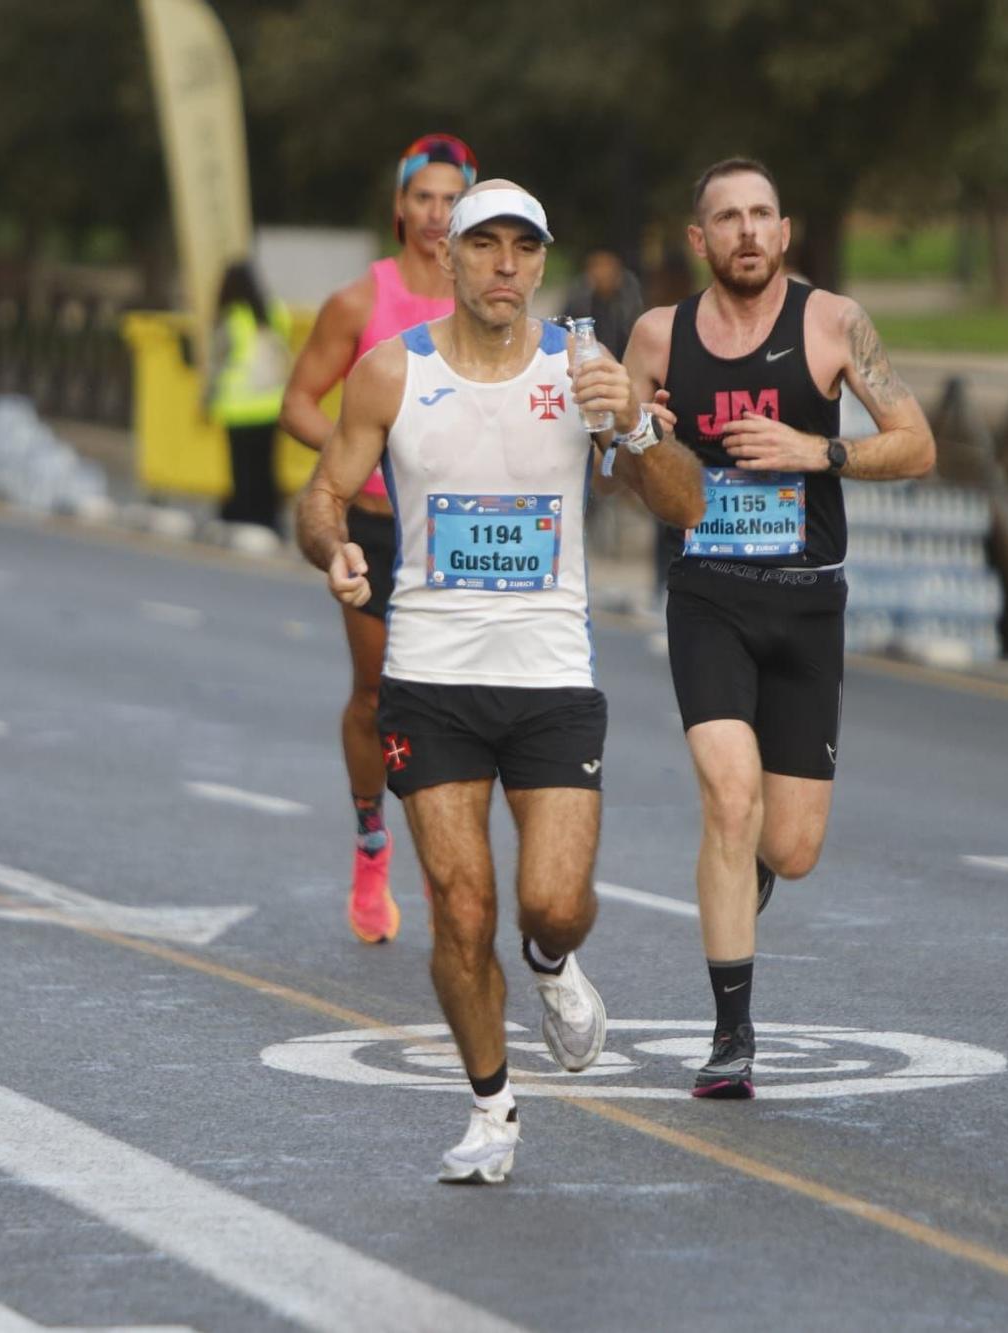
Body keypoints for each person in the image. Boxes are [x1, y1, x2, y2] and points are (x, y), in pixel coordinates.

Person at [297, 180, 703, 1183]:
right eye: (485, 246)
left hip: (549, 678)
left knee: (549, 904)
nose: (505, 265)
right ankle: (490, 1107)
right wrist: (334, 550)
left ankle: (553, 966)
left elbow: (683, 506)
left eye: (524, 248)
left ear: (542, 262)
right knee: (459, 906)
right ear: (448, 257)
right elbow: (324, 492)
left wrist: (639, 430)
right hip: (428, 677)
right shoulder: (392, 372)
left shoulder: (581, 369)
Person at [624, 158, 935, 1098]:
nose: (748, 232)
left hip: (807, 600)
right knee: (728, 796)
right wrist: (641, 438)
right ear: (700, 239)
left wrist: (819, 449)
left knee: (789, 847)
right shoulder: (657, 334)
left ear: (785, 231)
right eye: (728, 218)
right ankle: (731, 1039)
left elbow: (918, 444)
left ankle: (747, 876)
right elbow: (616, 471)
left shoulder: (834, 323)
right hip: (709, 592)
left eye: (762, 215)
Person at [280, 133, 477, 945]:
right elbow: (297, 399)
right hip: (378, 531)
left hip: (465, 537)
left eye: (450, 199)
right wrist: (353, 461)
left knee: (459, 705)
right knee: (376, 695)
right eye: (422, 198)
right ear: (400, 207)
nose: (436, 214)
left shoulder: (489, 301)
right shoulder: (362, 302)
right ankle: (371, 841)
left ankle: (446, 861)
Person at [202, 260, 292, 542]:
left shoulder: (230, 319)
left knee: (242, 469)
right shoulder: (275, 312)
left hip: (238, 408)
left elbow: (218, 365)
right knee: (266, 468)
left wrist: (206, 401)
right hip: (271, 405)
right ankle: (269, 519)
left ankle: (242, 516)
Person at [560, 247, 643, 360]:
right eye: (597, 266)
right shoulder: (578, 304)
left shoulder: (630, 304)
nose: (603, 272)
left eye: (608, 266)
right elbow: (564, 337)